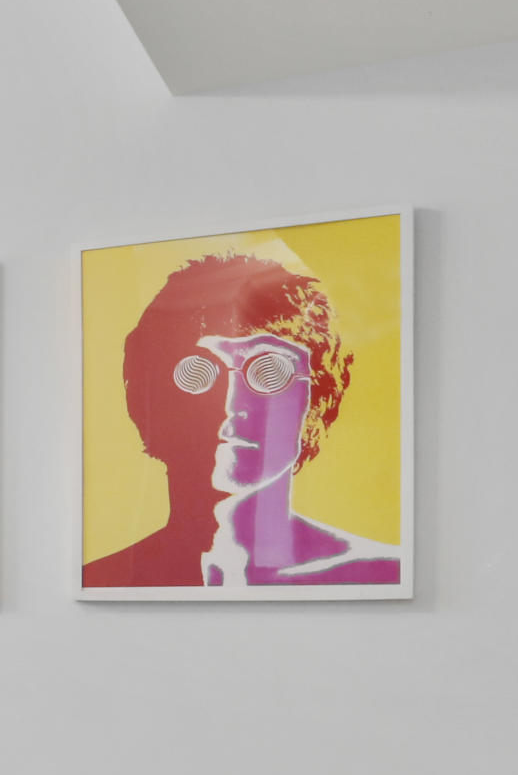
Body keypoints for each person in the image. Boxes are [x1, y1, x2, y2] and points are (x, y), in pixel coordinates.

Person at [83, 252, 400, 588]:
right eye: (197, 372)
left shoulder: (383, 574)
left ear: (317, 397)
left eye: (270, 372)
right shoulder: (102, 579)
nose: (230, 403)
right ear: (150, 396)